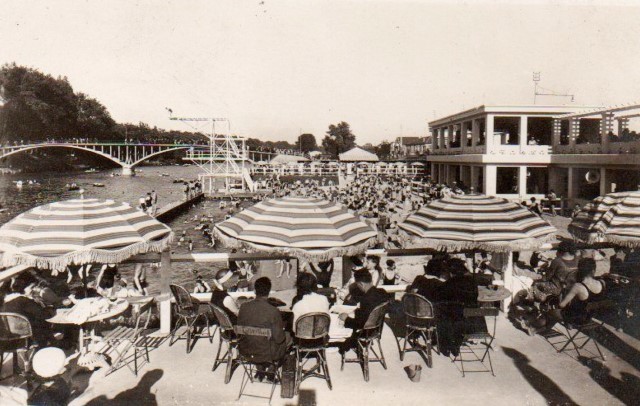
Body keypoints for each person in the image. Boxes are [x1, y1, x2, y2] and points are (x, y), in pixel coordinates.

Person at [524, 258, 606, 335]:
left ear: (579, 271)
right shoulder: (602, 283)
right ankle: (542, 328)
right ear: (593, 271)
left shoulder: (578, 286)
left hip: (576, 319)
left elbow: (561, 305)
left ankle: (533, 327)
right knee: (562, 310)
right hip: (589, 318)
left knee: (551, 309)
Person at [237, 277, 292, 369]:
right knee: (289, 336)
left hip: (246, 350)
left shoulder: (243, 307)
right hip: (268, 353)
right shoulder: (273, 311)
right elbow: (279, 338)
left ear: (255, 291)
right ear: (269, 291)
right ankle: (272, 367)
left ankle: (260, 365)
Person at [338, 270, 389, 354]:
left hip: (366, 331)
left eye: (358, 285)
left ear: (361, 284)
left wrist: (346, 318)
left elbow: (359, 324)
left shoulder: (366, 299)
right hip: (377, 328)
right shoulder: (382, 292)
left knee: (339, 322)